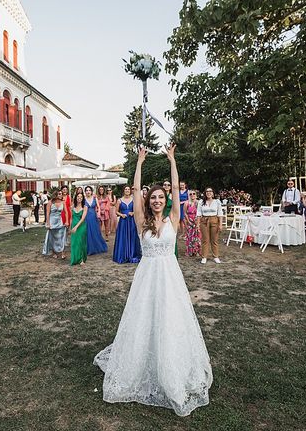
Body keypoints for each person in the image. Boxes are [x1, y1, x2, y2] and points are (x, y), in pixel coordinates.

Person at [94, 145, 212, 417]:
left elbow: (174, 185)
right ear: (148, 201)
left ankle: (172, 362)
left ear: (166, 199)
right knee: (145, 317)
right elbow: (135, 191)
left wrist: (172, 160)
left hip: (170, 277)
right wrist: (139, 163)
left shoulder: (173, 218)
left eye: (161, 197)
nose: (157, 200)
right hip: (147, 277)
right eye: (154, 197)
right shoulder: (140, 220)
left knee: (170, 317)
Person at [112, 185, 141, 264]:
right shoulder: (119, 200)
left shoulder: (134, 200)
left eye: (128, 189)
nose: (127, 190)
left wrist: (133, 212)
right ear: (123, 190)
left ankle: (132, 254)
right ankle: (123, 254)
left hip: (132, 221)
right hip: (123, 221)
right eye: (126, 189)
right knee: (123, 237)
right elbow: (116, 211)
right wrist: (121, 215)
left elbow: (138, 210)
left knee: (132, 236)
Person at [197, 187, 224, 264]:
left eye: (210, 191)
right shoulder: (201, 202)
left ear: (213, 193)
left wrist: (220, 224)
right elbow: (199, 213)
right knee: (205, 240)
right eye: (207, 191)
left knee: (214, 240)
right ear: (205, 193)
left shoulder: (217, 201)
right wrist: (198, 224)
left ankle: (216, 256)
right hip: (204, 221)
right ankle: (204, 257)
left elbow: (220, 213)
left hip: (214, 220)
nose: (209, 193)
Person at [43, 189, 67, 259]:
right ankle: (54, 252)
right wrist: (48, 223)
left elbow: (66, 212)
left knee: (61, 236)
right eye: (59, 194)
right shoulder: (50, 202)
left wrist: (67, 221)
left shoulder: (63, 202)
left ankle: (62, 252)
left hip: (59, 221)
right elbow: (47, 213)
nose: (61, 195)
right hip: (52, 221)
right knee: (52, 237)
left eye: (61, 194)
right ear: (55, 195)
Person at [84, 186, 107, 255]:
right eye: (87, 190)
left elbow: (98, 207)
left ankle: (97, 246)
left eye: (89, 190)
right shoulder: (84, 199)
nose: (88, 192)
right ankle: (88, 248)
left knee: (95, 231)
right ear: (85, 192)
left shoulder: (95, 198)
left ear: (91, 191)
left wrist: (98, 213)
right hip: (86, 216)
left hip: (94, 216)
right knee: (87, 232)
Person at [70, 189, 88, 266]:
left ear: (83, 198)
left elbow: (82, 218)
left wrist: (76, 227)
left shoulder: (85, 207)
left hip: (81, 226)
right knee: (74, 243)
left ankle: (81, 259)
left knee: (80, 242)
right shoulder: (72, 206)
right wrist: (70, 227)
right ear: (76, 198)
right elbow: (71, 218)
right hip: (73, 225)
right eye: (78, 197)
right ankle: (74, 259)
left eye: (81, 197)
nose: (79, 198)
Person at [184, 189, 202, 257]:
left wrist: (198, 222)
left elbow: (200, 213)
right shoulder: (186, 203)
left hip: (197, 220)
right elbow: (185, 213)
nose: (192, 195)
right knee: (190, 236)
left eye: (193, 194)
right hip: (189, 221)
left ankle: (197, 251)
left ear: (196, 195)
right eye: (190, 194)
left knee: (197, 236)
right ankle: (190, 251)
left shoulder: (198, 203)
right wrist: (188, 221)